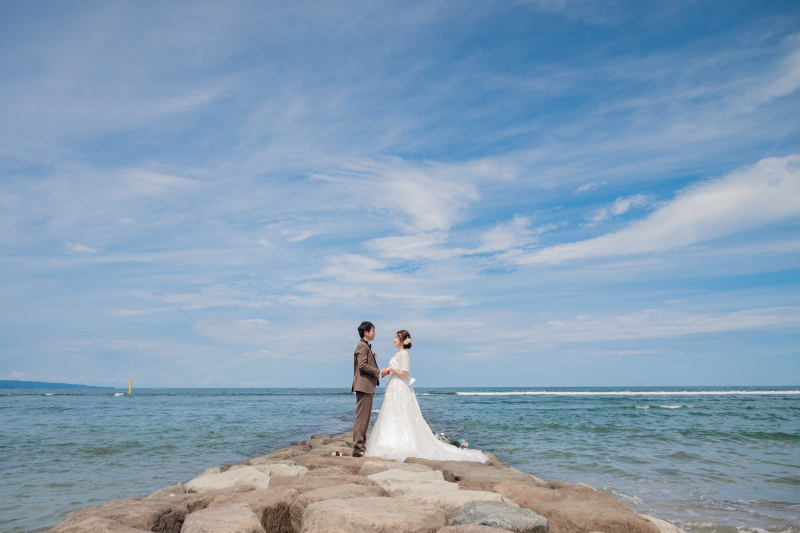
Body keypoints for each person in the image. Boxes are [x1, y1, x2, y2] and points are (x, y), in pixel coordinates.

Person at [365, 329, 489, 463]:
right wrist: (386, 372)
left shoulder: (404, 354)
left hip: (400, 388)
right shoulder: (398, 354)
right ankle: (388, 443)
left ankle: (402, 444)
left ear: (402, 340)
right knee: (391, 414)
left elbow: (405, 374)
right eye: (394, 337)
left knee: (401, 414)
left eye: (396, 337)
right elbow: (397, 371)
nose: (394, 340)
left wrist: (392, 369)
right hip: (394, 388)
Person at [351, 321, 389, 457]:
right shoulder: (362, 346)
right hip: (363, 386)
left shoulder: (365, 346)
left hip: (366, 386)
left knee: (365, 418)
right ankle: (357, 448)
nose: (375, 333)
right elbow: (362, 365)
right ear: (366, 332)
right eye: (373, 330)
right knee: (362, 418)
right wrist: (378, 372)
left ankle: (360, 446)